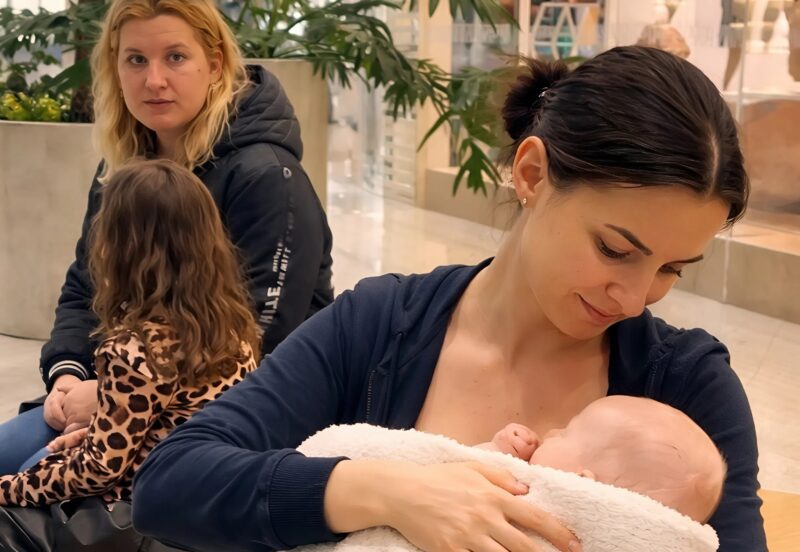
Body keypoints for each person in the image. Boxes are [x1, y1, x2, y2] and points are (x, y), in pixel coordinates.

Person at [133, 46, 765, 551]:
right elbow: (171, 484)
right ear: (532, 174)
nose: (634, 299)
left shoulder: (687, 388)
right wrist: (388, 492)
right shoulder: (379, 326)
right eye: (614, 249)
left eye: (671, 269)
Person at [0, 0, 333, 477]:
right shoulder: (123, 165)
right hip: (123, 387)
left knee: (33, 483)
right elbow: (86, 285)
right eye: (136, 59)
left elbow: (257, 339)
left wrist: (118, 394)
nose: (154, 80)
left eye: (175, 57)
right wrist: (68, 372)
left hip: (226, 411)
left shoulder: (267, 176)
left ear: (214, 64)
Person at [0, 160, 258, 552]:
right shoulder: (231, 323)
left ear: (120, 248)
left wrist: (10, 489)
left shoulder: (135, 351)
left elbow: (98, 471)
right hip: (202, 488)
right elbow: (174, 417)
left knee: (23, 482)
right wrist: (97, 430)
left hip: (143, 506)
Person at [480, 396, 726, 524]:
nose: (552, 432)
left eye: (566, 433)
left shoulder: (523, 494)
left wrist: (498, 450)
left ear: (581, 482)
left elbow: (464, 463)